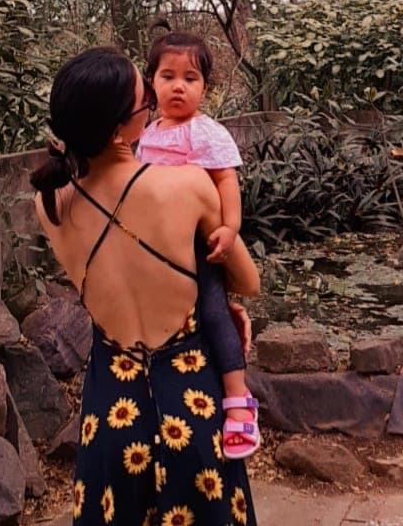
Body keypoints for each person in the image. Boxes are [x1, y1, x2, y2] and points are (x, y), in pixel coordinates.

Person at [31, 46, 260, 526]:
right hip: (191, 405)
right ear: (122, 127)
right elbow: (247, 279)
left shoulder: (49, 204)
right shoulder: (187, 186)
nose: (156, 107)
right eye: (147, 104)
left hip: (110, 412)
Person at [138, 30, 260, 459]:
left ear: (205, 88)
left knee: (213, 312)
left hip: (201, 247)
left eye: (190, 78)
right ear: (151, 82)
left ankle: (238, 403)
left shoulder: (205, 133)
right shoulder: (148, 135)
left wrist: (230, 228)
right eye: (167, 75)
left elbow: (226, 180)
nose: (178, 86)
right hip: (159, 252)